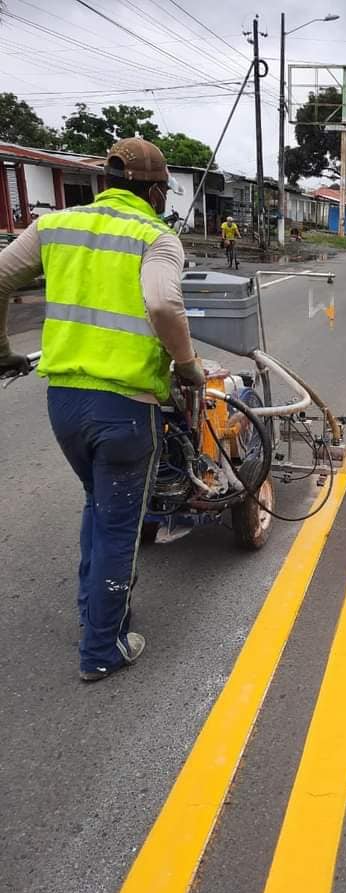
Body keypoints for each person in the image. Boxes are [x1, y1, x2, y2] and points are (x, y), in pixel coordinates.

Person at [0, 137, 204, 682]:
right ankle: (102, 649)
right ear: (156, 192)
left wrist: (2, 352)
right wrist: (187, 366)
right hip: (125, 408)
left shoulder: (55, 225)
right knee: (119, 525)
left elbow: (0, 275)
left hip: (64, 402)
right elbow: (163, 302)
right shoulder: (155, 237)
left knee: (98, 504)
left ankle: (93, 613)